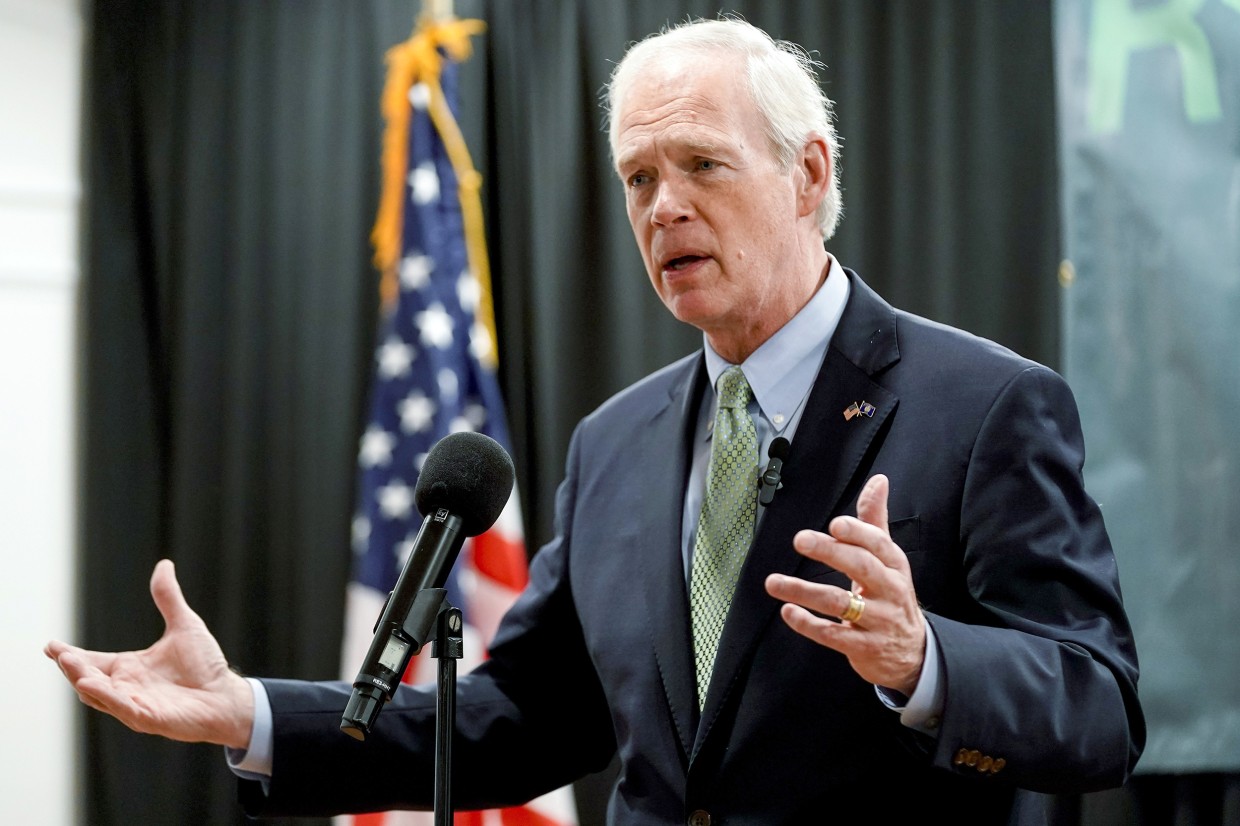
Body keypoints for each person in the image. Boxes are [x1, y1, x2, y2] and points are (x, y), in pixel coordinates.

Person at [46, 17, 1143, 824]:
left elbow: (1098, 711)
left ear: (807, 174)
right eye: (637, 177)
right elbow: (520, 717)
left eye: (702, 166)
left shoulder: (986, 404)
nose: (664, 206)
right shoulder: (613, 443)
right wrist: (249, 713)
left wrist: (924, 659)